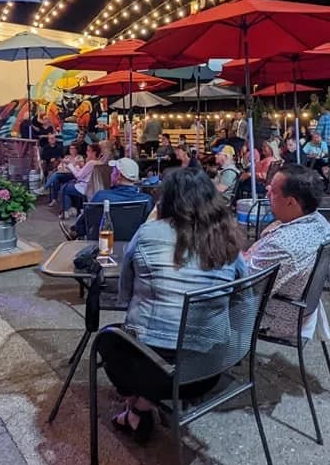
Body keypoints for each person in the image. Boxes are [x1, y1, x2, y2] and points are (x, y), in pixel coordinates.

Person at [105, 167, 245, 440]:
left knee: (111, 339)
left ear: (166, 199)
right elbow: (243, 293)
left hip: (151, 370)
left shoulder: (148, 233)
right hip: (209, 370)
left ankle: (137, 406)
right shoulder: (229, 239)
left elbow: (125, 293)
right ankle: (138, 410)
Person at [243, 165, 330, 337]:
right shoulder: (320, 221)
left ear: (291, 201)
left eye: (273, 191)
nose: (267, 193)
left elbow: (242, 286)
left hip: (273, 316)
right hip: (302, 309)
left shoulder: (282, 245)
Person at [64, 158, 154, 240]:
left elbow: (84, 225)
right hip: (132, 244)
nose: (110, 174)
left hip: (103, 244)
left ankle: (72, 232)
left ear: (118, 175)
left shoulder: (101, 196)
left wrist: (77, 229)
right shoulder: (146, 200)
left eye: (113, 172)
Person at [59, 143, 102, 218]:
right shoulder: (99, 162)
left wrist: (70, 165)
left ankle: (66, 211)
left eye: (88, 150)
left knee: (64, 188)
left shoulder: (91, 163)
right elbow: (84, 174)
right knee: (68, 185)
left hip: (85, 187)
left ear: (94, 152)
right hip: (91, 186)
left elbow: (78, 176)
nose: (86, 152)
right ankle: (71, 209)